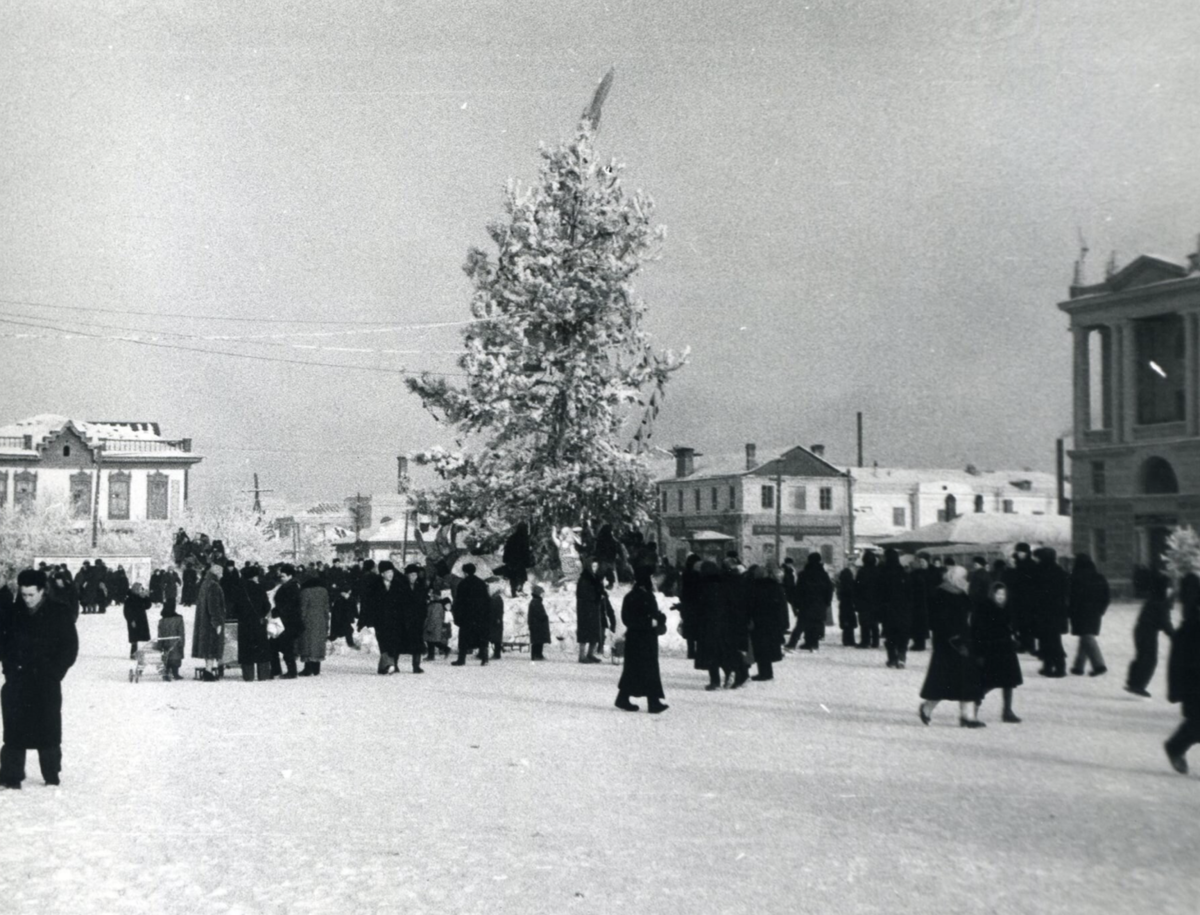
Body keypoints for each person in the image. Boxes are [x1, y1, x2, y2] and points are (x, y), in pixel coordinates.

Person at [0, 569, 79, 789]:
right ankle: (11, 775)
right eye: (23, 595)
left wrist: (55, 672)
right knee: (14, 729)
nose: (26, 599)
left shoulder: (59, 613)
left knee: (48, 728)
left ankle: (51, 775)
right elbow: (3, 643)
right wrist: (9, 669)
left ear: (43, 591)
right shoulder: (13, 613)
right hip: (18, 679)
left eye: (31, 595)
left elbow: (70, 648)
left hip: (46, 681)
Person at [918, 565, 985, 728]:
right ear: (953, 578)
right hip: (948, 643)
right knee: (944, 680)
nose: (965, 581)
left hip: (964, 640)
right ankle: (927, 708)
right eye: (962, 578)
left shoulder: (961, 594)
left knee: (967, 679)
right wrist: (955, 640)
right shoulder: (941, 594)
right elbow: (940, 621)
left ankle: (967, 717)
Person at [614, 567, 669, 713]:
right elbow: (631, 619)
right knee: (646, 670)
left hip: (638, 639)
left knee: (634, 671)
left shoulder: (634, 595)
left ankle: (625, 698)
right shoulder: (641, 596)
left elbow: (634, 617)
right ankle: (653, 702)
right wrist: (652, 622)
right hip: (642, 639)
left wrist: (659, 618)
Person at [972, 582, 1023, 723]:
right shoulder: (984, 608)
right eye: (998, 594)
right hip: (991, 650)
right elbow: (978, 631)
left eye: (1003, 594)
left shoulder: (1007, 608)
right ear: (992, 594)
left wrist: (1014, 637)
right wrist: (980, 651)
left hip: (1006, 649)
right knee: (990, 681)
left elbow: (1010, 626)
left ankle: (1007, 711)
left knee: (1009, 681)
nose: (1000, 597)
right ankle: (974, 704)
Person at [1165, 571, 1200, 774]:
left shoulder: (1185, 628)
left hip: (1191, 681)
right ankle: (1175, 746)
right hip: (1194, 681)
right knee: (1197, 723)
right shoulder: (1189, 629)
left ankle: (1175, 746)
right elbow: (1178, 662)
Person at [1126, 572, 1174, 698]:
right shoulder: (1161, 602)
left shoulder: (1154, 598)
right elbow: (1165, 623)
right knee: (1149, 659)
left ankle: (1133, 682)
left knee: (1141, 656)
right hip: (1148, 632)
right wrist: (1175, 636)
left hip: (1140, 630)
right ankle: (1138, 685)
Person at [1068, 553, 1110, 677]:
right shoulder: (1099, 577)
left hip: (1079, 612)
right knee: (1086, 636)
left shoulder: (1074, 577)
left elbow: (1070, 597)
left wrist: (1069, 611)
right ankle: (1078, 666)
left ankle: (1099, 665)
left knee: (1086, 637)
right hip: (1094, 612)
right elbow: (1106, 596)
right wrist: (1101, 610)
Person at [1033, 547, 1070, 678]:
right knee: (1050, 640)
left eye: (1037, 557)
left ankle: (1058, 667)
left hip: (1045, 612)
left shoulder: (1039, 572)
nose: (1035, 560)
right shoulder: (1060, 572)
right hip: (1057, 612)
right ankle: (1050, 666)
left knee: (1049, 640)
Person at [748, 565, 786, 681]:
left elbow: (751, 605)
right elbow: (782, 607)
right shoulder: (776, 587)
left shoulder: (755, 587)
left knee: (760, 648)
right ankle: (767, 672)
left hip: (759, 622)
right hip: (773, 622)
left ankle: (764, 673)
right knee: (768, 648)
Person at [791, 552, 833, 652]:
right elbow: (829, 589)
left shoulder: (804, 574)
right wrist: (827, 602)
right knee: (815, 624)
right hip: (820, 603)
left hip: (806, 603)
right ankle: (813, 643)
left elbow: (798, 590)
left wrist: (796, 604)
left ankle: (792, 643)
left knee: (801, 624)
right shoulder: (823, 574)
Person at [192, 560, 226, 681]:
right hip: (211, 622)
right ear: (217, 573)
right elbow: (214, 606)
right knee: (212, 647)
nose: (222, 575)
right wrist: (217, 622)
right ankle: (208, 672)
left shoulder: (205, 584)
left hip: (204, 621)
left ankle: (208, 670)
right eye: (221, 573)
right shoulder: (214, 586)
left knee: (207, 648)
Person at [451, 563, 490, 667]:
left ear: (465, 572)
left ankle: (461, 659)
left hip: (466, 616)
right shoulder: (481, 583)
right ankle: (485, 659)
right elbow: (486, 600)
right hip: (479, 616)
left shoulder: (462, 584)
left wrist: (457, 616)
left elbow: (459, 602)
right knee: (481, 637)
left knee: (464, 638)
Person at [239, 566, 273, 681]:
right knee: (261, 647)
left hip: (244, 623)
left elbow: (234, 607)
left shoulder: (240, 588)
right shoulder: (259, 588)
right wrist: (261, 614)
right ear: (254, 576)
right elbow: (267, 606)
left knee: (246, 648)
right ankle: (263, 675)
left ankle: (248, 676)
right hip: (258, 622)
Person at [880, 548, 911, 669]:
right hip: (903, 609)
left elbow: (879, 593)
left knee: (890, 633)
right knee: (903, 633)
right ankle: (902, 655)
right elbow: (910, 593)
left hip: (888, 609)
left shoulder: (883, 573)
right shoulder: (904, 573)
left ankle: (892, 658)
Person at [270, 564, 302, 679]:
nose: (281, 578)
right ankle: (285, 670)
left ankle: (288, 671)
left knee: (282, 646)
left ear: (290, 576)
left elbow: (290, 606)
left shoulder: (291, 587)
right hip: (287, 622)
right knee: (282, 646)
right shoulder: (291, 586)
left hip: (288, 622)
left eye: (283, 576)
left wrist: (277, 611)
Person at [1007, 543, 1038, 656]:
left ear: (1027, 552)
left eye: (1022, 552)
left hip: (1029, 599)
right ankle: (1022, 645)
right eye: (1019, 552)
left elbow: (1034, 583)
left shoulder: (1031, 565)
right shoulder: (1015, 564)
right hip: (1017, 598)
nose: (1020, 554)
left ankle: (1031, 646)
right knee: (1020, 623)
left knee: (1029, 623)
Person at [397, 564, 428, 673]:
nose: (413, 577)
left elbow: (423, 604)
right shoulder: (401, 587)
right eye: (411, 575)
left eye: (415, 575)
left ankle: (416, 665)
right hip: (403, 619)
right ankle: (395, 664)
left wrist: (423, 616)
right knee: (399, 642)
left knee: (417, 643)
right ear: (407, 575)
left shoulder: (420, 587)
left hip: (417, 619)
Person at [297, 574, 330, 676]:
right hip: (321, 620)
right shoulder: (324, 591)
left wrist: (300, 621)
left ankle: (308, 669)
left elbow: (303, 609)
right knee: (318, 644)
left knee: (308, 644)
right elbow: (326, 608)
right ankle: (316, 668)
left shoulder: (305, 592)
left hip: (309, 621)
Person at [575, 558, 604, 663]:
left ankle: (590, 654)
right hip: (585, 610)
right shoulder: (584, 579)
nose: (595, 569)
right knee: (584, 632)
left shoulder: (595, 578)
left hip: (594, 608)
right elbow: (583, 595)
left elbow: (599, 591)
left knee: (594, 632)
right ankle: (582, 656)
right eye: (593, 566)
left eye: (596, 566)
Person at [854, 550, 882, 649]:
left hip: (863, 600)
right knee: (874, 622)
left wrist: (856, 600)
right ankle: (875, 641)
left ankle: (865, 641)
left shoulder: (862, 571)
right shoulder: (878, 571)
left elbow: (857, 587)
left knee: (864, 622)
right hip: (876, 600)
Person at [501, 521, 533, 597]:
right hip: (520, 561)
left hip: (512, 561)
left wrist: (505, 559)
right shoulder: (524, 539)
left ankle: (514, 591)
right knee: (520, 576)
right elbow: (526, 551)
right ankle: (519, 590)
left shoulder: (512, 538)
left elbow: (507, 549)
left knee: (513, 577)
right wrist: (527, 561)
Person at [157, 600, 186, 681]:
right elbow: (181, 633)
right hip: (176, 645)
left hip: (165, 645)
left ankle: (166, 671)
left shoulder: (161, 621)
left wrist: (160, 645)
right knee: (175, 658)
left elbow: (160, 635)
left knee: (166, 658)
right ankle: (175, 673)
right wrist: (182, 643)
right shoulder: (178, 619)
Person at [123, 583, 152, 660]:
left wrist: (146, 597)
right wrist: (131, 620)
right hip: (134, 621)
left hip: (142, 620)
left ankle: (142, 653)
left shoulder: (141, 597)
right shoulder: (129, 599)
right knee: (135, 638)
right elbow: (127, 612)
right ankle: (133, 653)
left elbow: (148, 606)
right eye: (139, 589)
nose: (141, 590)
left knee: (143, 637)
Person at [528, 584, 551, 661]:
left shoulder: (534, 602)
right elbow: (539, 614)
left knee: (537, 640)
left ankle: (537, 654)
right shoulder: (537, 602)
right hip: (538, 625)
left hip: (536, 624)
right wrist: (544, 617)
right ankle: (536, 655)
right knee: (538, 641)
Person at [836, 564, 856, 647]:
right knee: (850, 624)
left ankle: (845, 640)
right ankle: (851, 640)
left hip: (843, 605)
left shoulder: (841, 585)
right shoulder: (852, 584)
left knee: (845, 623)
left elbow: (839, 596)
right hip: (850, 605)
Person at [487, 578, 505, 661]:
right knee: (495, 637)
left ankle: (497, 653)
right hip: (494, 620)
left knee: (496, 638)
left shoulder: (496, 599)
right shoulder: (496, 598)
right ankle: (496, 653)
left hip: (495, 621)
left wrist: (497, 618)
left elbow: (498, 611)